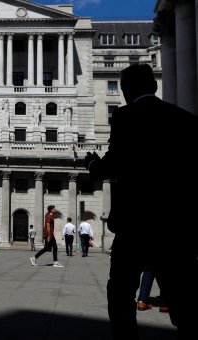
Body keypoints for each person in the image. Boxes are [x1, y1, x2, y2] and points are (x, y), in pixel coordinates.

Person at [84, 64, 198, 340]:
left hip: (134, 224)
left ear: (124, 91)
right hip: (176, 225)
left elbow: (114, 162)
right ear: (155, 86)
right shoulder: (186, 119)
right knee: (184, 295)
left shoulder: (125, 117)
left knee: (121, 292)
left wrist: (92, 164)